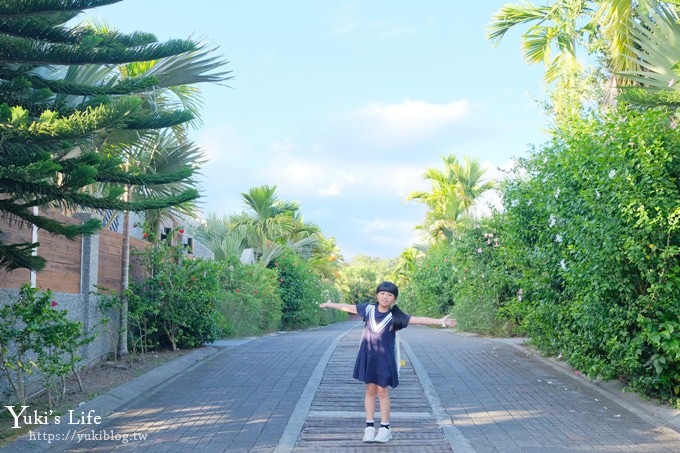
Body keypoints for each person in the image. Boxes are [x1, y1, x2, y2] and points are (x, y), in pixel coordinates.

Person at [319, 281, 457, 443]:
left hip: (384, 360)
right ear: (377, 295)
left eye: (389, 295)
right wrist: (331, 304)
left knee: (382, 391)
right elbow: (347, 307)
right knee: (370, 391)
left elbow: (417, 319)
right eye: (382, 293)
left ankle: (385, 428)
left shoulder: (395, 317)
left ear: (394, 299)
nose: (385, 297)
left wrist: (441, 321)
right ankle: (369, 427)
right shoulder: (368, 309)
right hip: (368, 357)